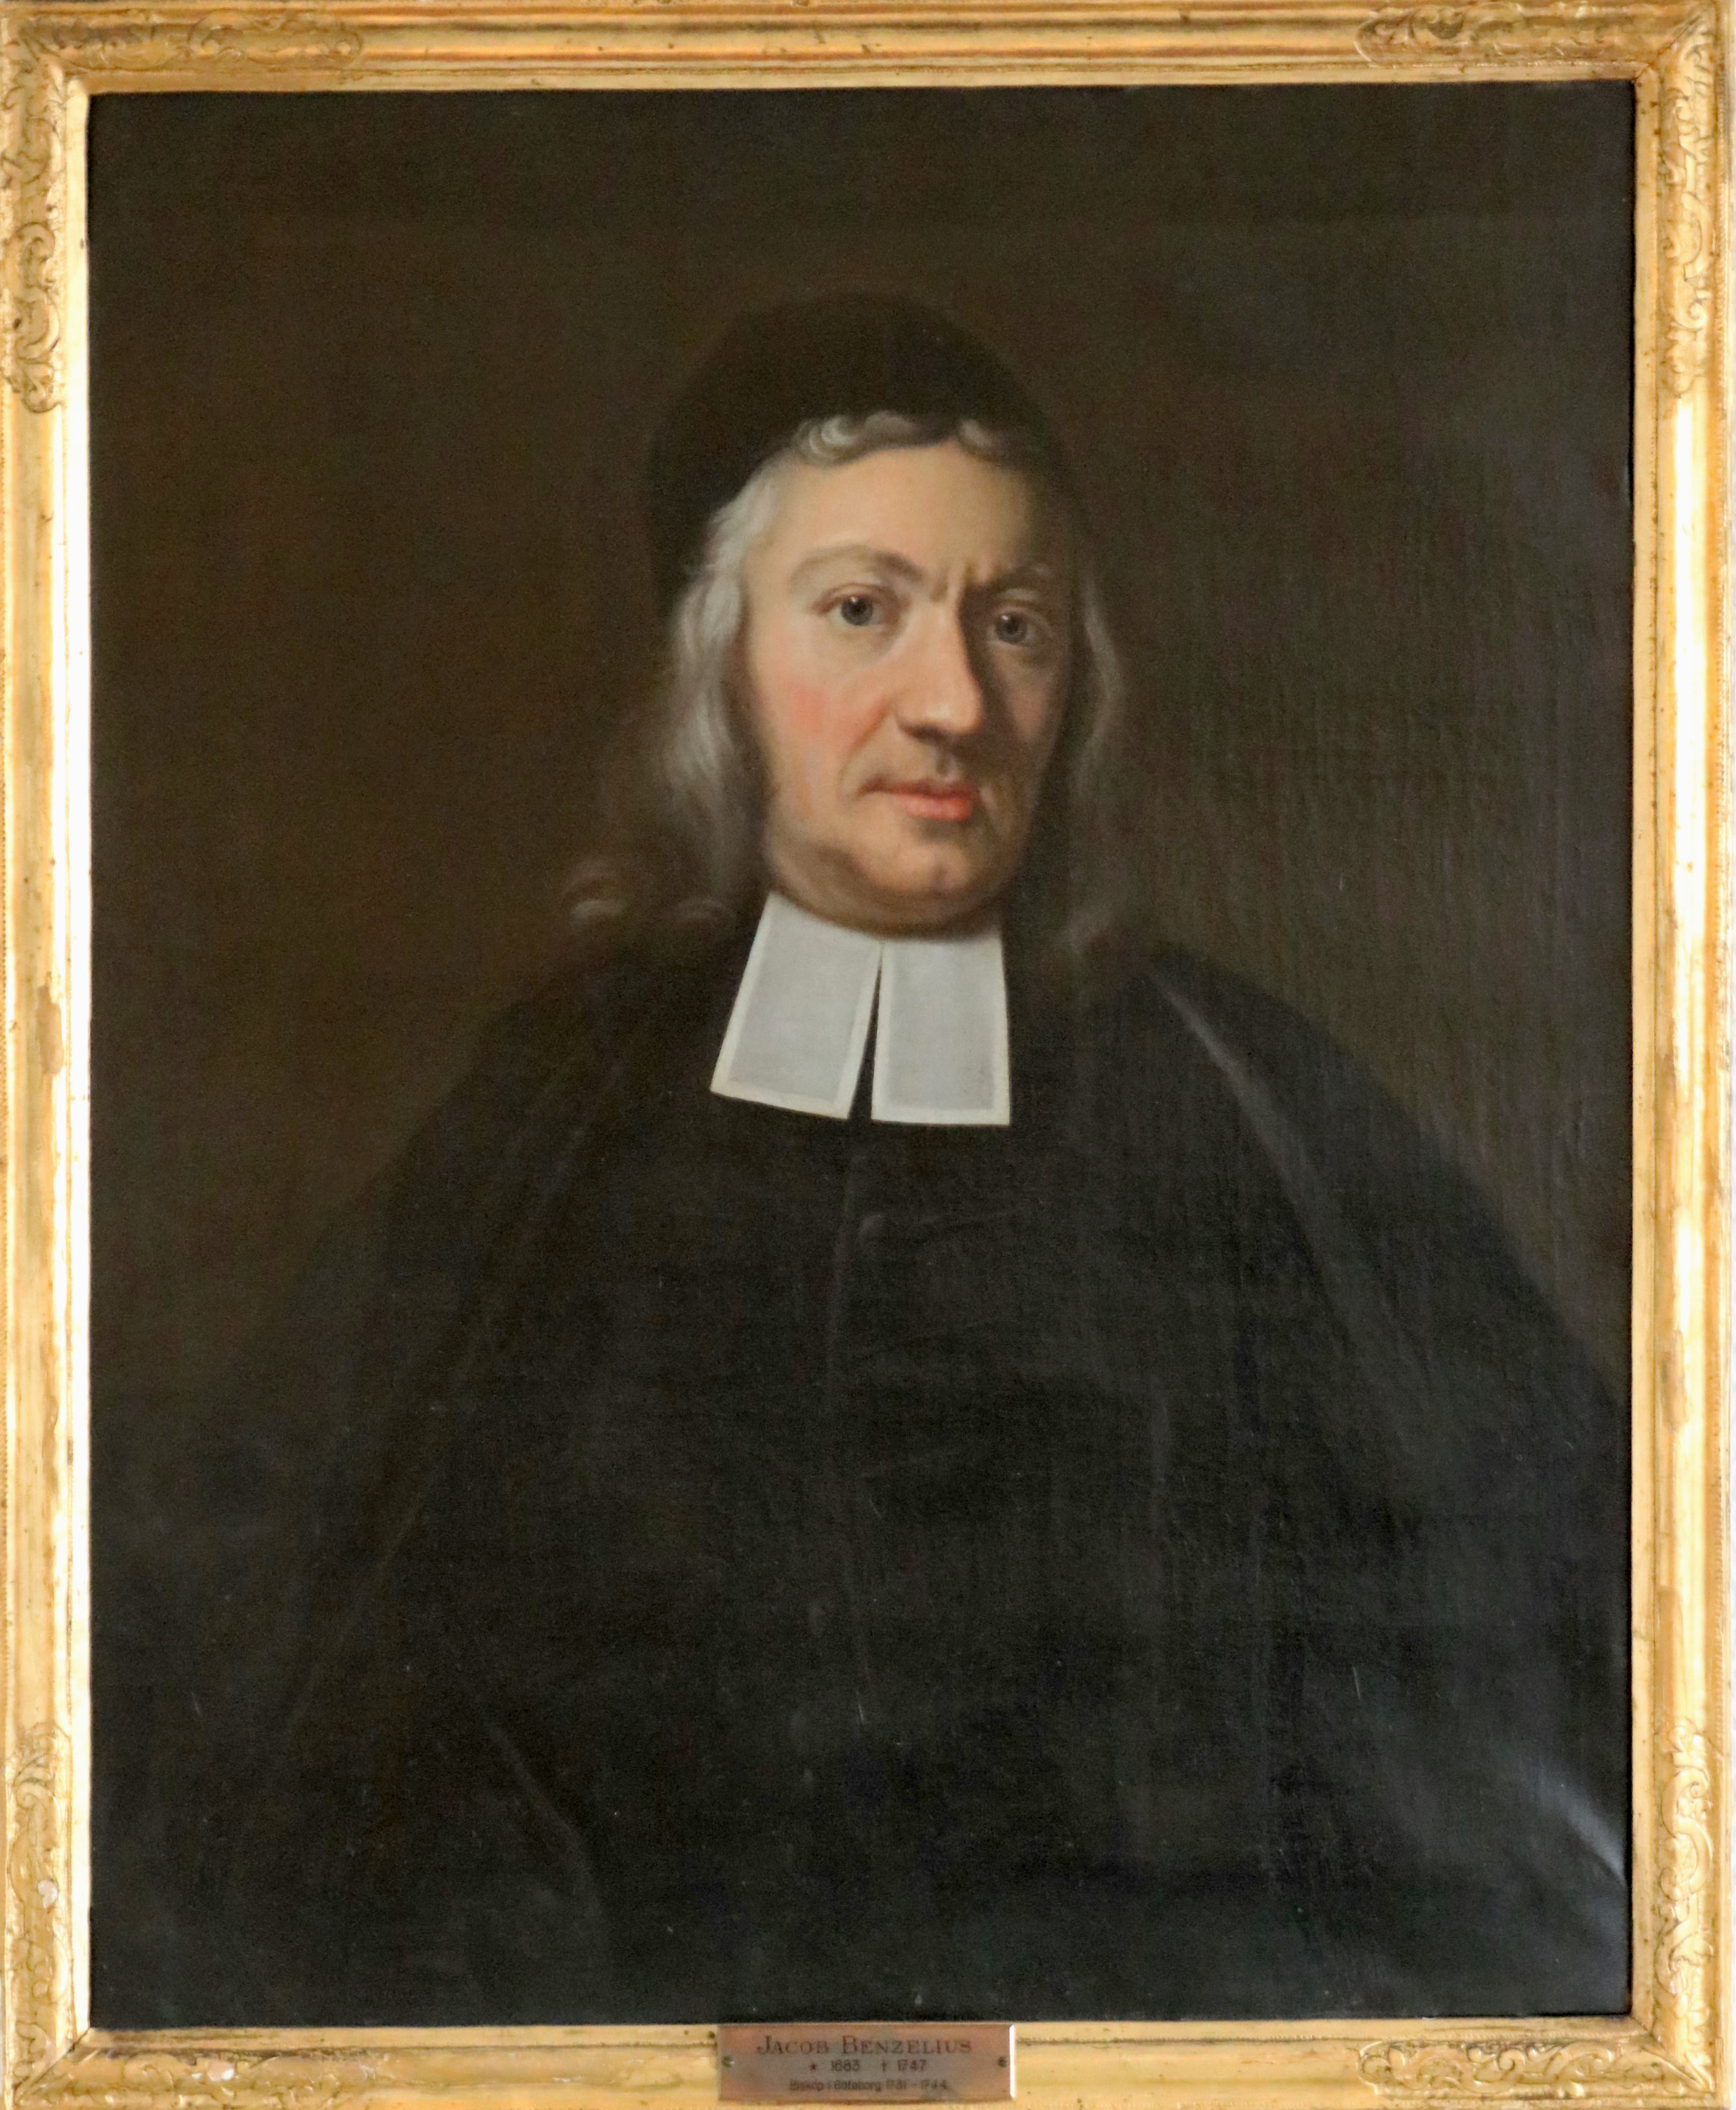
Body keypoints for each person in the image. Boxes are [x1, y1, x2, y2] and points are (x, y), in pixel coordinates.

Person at [94, 294, 1628, 2028]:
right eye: (860, 612)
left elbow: (1532, 1674)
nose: (953, 702)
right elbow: (279, 1652)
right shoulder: (546, 1116)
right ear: (720, 671)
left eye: (1015, 624)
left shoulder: (1247, 1106)